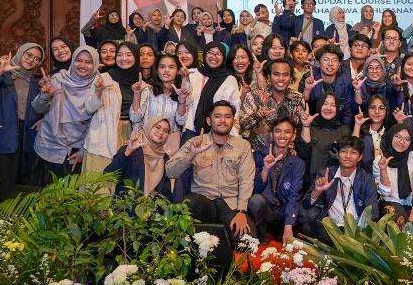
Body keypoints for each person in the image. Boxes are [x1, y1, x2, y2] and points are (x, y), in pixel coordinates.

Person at [167, 101, 256, 243]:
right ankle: (211, 234)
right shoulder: (195, 142)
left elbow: (246, 179)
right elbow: (170, 171)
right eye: (217, 116)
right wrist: (191, 154)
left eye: (227, 117)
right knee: (189, 203)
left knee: (247, 240)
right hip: (204, 203)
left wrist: (241, 211)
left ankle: (218, 234)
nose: (222, 120)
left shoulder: (243, 146)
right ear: (209, 120)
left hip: (230, 204)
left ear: (233, 121)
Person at [0, 43, 45, 201]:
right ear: (20, 53)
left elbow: (42, 110)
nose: (32, 60)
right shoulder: (2, 77)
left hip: (29, 138)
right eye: (29, 55)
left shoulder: (38, 83)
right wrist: (0, 71)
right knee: (5, 186)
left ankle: (22, 222)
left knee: (26, 187)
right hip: (4, 136)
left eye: (37, 59)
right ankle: (4, 222)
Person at [32, 46, 100, 183]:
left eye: (88, 62)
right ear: (73, 61)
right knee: (44, 199)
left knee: (70, 200)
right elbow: (38, 109)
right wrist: (44, 95)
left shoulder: (98, 85)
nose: (82, 65)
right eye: (79, 60)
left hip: (75, 150)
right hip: (47, 146)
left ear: (95, 64)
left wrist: (82, 151)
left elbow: (95, 124)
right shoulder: (58, 79)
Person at [82, 41, 139, 175]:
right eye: (119, 54)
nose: (124, 58)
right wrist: (98, 92)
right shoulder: (104, 78)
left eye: (129, 55)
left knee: (123, 183)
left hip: (129, 134)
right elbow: (88, 109)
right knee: (100, 182)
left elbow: (139, 116)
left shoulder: (140, 82)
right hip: (103, 134)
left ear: (136, 57)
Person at [248, 116, 305, 242]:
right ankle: (260, 226)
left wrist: (288, 226)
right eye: (278, 131)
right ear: (272, 134)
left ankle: (281, 227)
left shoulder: (297, 163)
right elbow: (254, 190)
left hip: (282, 212)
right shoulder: (258, 156)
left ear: (293, 136)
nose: (282, 135)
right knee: (255, 200)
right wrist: (266, 169)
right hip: (264, 209)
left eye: (287, 132)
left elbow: (294, 196)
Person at [238, 58, 307, 150]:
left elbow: (301, 129)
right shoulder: (256, 95)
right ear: (269, 77)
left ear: (290, 78)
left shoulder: (297, 98)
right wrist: (256, 115)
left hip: (286, 153)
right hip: (257, 153)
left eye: (285, 75)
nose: (281, 79)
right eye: (276, 74)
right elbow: (243, 124)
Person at [131, 52, 192, 153]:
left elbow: (181, 121)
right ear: (157, 70)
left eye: (171, 67)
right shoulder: (148, 89)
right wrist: (137, 94)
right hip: (146, 142)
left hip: (170, 144)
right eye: (162, 67)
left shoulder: (182, 91)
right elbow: (135, 118)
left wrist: (182, 99)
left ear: (177, 71)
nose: (166, 70)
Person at [105, 115, 173, 198]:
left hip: (152, 208)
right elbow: (109, 175)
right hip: (127, 207)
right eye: (158, 127)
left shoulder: (164, 157)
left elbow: (165, 191)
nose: (161, 132)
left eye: (166, 131)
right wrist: (127, 152)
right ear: (149, 127)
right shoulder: (132, 148)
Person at [373, 124, 413, 222]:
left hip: (412, 204)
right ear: (390, 136)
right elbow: (385, 192)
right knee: (399, 220)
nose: (402, 142)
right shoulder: (380, 160)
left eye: (407, 139)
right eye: (398, 136)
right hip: (390, 203)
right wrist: (383, 170)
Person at [296, 92, 350, 185]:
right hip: (312, 182)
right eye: (325, 104)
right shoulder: (310, 127)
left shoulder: (344, 131)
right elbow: (304, 153)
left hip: (337, 182)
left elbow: (352, 155)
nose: (328, 108)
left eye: (333, 105)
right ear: (319, 105)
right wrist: (306, 125)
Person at [193, 42, 241, 135]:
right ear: (204, 54)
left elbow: (236, 108)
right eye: (210, 52)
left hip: (220, 132)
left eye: (219, 54)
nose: (214, 56)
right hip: (192, 129)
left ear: (223, 58)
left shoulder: (230, 79)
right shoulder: (193, 74)